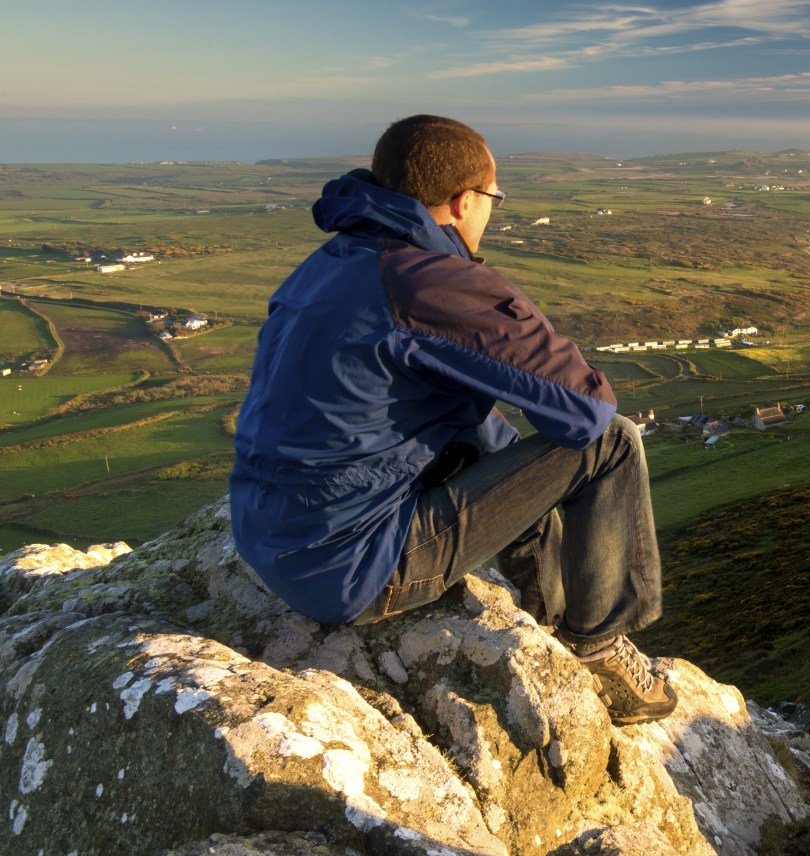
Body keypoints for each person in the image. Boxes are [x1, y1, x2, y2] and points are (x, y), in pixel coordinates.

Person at [229, 114, 675, 723]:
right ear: (465, 201)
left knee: (490, 434)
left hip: (272, 539)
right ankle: (596, 644)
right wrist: (494, 297)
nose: (492, 211)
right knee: (613, 443)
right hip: (353, 570)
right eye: (493, 198)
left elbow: (457, 417)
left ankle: (546, 614)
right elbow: (586, 414)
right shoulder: (428, 282)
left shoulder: (334, 260)